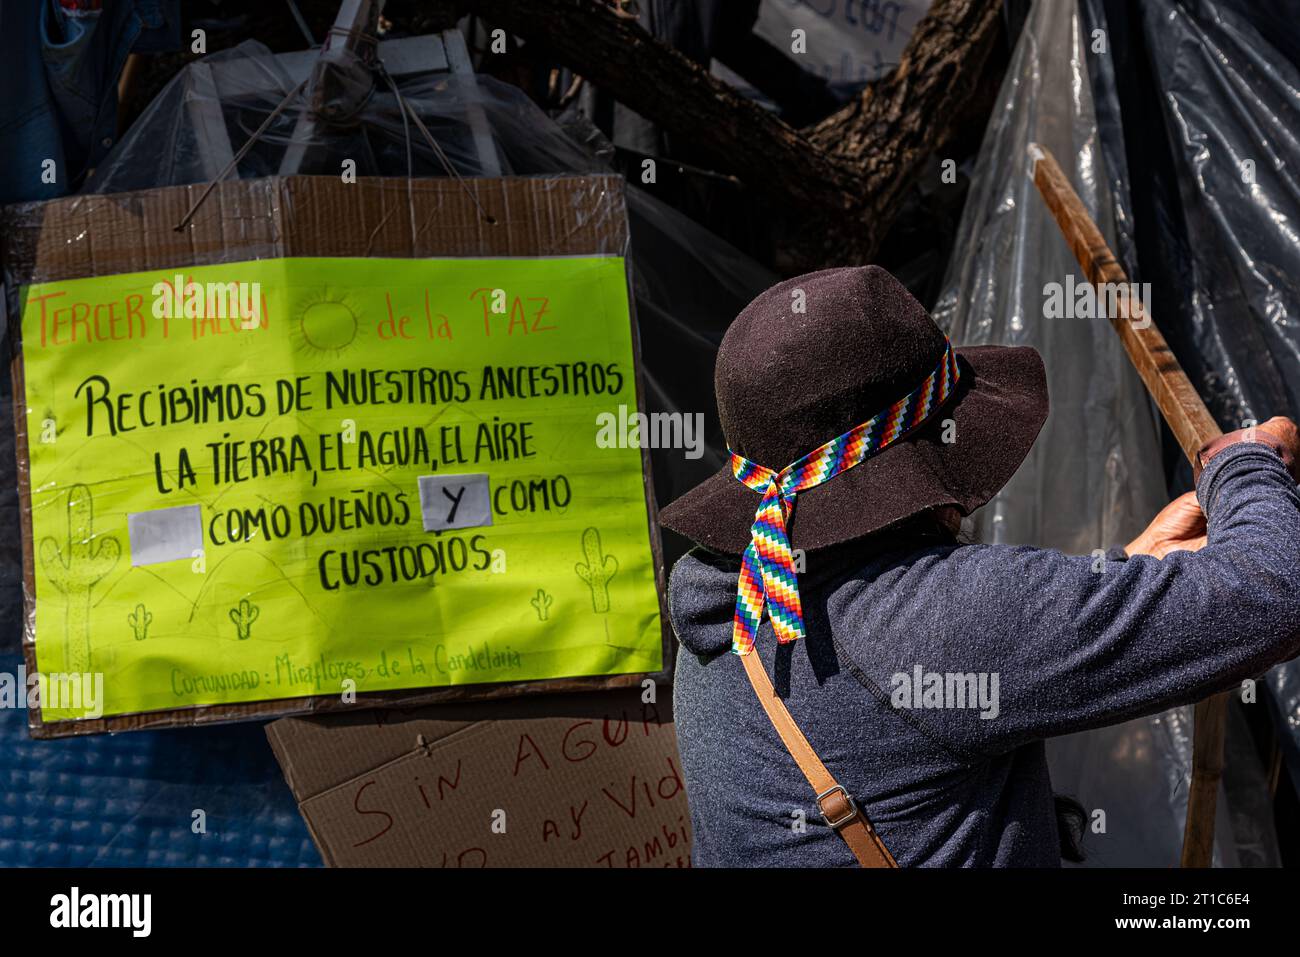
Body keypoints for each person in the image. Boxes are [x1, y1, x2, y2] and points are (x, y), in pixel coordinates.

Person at [658, 265, 1300, 867]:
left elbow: (942, 667)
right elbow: (1277, 587)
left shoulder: (731, 610)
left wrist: (1128, 568)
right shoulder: (929, 619)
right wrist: (1248, 463)